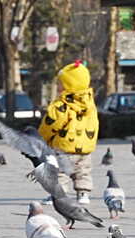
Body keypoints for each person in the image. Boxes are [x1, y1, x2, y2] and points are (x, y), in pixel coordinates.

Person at [38, 60, 99, 204]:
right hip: (84, 148)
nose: (58, 86)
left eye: (60, 83)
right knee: (83, 171)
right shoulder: (90, 103)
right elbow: (94, 124)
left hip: (64, 146)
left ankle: (59, 195)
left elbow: (52, 123)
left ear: (68, 85)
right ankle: (83, 194)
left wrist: (42, 138)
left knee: (60, 172)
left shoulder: (61, 105)